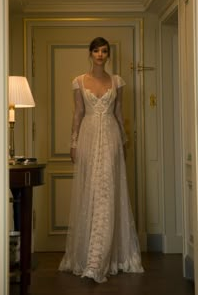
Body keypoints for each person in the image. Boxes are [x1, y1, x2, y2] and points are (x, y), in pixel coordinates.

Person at [59, 37, 143, 283]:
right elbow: (78, 113)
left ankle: (100, 259)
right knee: (91, 191)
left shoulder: (117, 81)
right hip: (87, 137)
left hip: (111, 137)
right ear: (90, 53)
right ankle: (87, 256)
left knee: (108, 190)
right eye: (96, 50)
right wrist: (73, 143)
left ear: (108, 55)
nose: (100, 54)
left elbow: (118, 113)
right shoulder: (79, 81)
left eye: (104, 51)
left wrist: (124, 142)